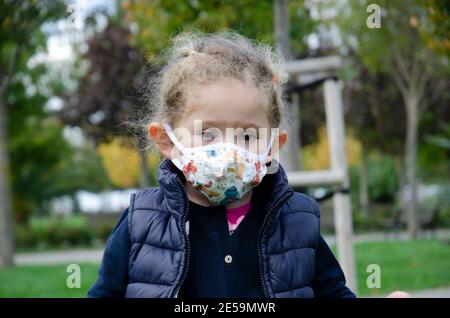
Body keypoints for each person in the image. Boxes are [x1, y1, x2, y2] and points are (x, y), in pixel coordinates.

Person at [88, 31, 358, 298]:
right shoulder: (142, 220)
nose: (230, 149)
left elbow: (334, 293)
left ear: (273, 145)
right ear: (167, 140)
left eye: (248, 136)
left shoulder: (296, 219)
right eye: (207, 133)